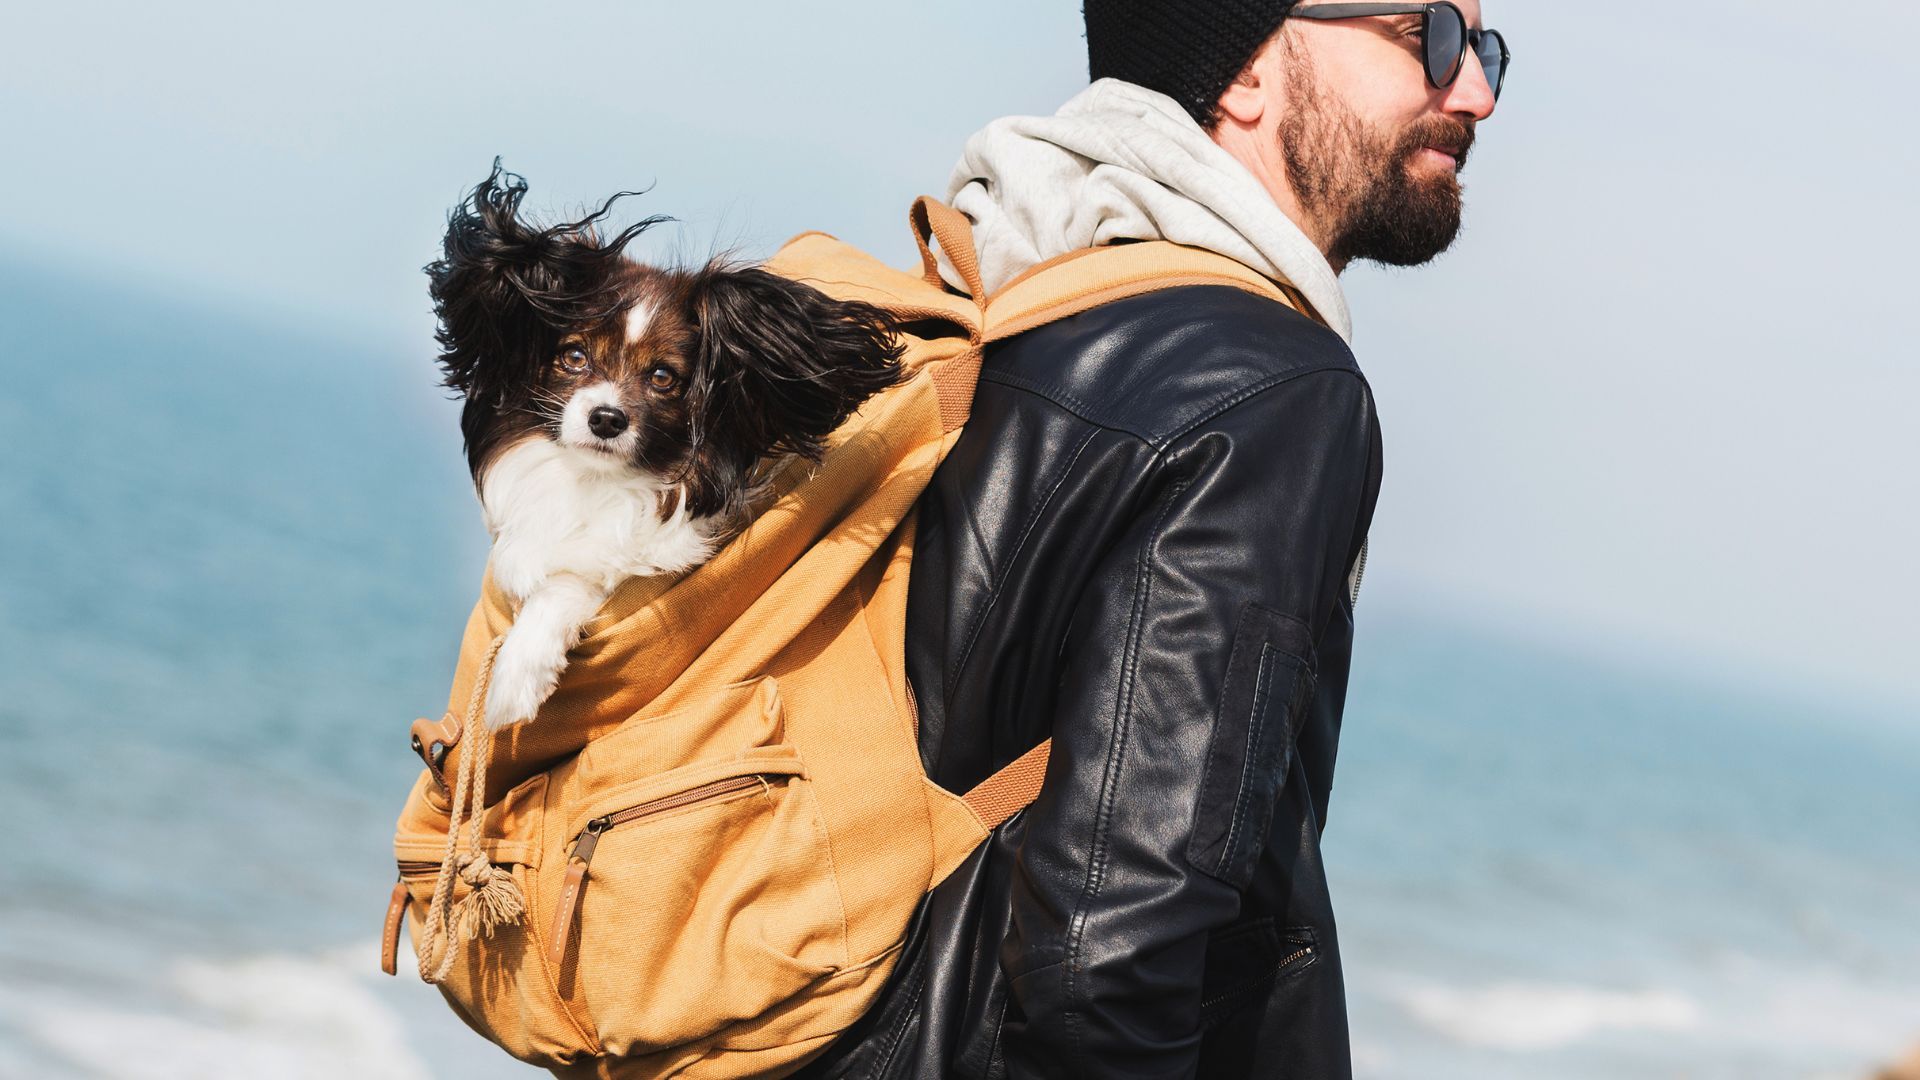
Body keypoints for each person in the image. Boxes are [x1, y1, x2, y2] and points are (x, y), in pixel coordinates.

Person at [797, 1, 1504, 1076]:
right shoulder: (1269, 392)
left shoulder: (996, 301)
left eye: (1487, 50)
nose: (1477, 93)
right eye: (1433, 38)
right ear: (1247, 70)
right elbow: (1105, 963)